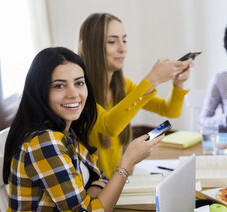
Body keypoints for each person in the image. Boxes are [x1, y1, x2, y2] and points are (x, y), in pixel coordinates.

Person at [0, 47, 165, 212]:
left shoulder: (65, 131)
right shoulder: (45, 142)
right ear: (40, 91)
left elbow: (95, 176)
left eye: (79, 83)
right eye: (59, 86)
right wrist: (126, 164)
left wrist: (95, 193)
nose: (74, 93)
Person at [78, 13, 193, 176]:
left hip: (118, 178)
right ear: (87, 46)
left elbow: (169, 110)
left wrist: (178, 83)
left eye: (124, 40)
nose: (122, 48)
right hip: (93, 186)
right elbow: (109, 126)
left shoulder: (123, 85)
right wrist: (152, 79)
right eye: (112, 41)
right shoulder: (78, 89)